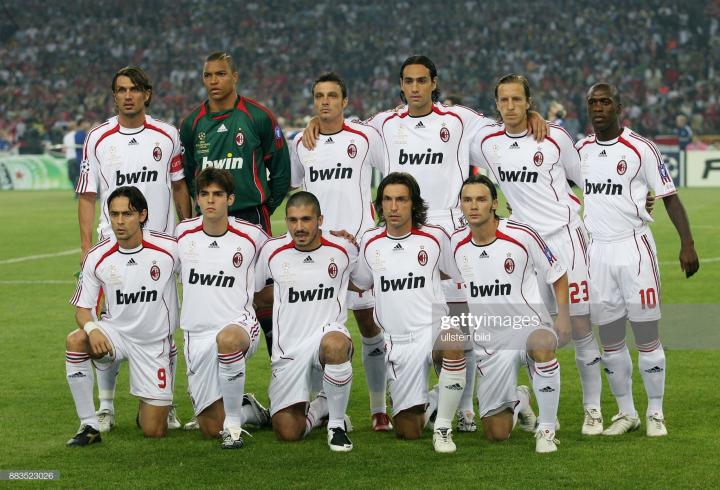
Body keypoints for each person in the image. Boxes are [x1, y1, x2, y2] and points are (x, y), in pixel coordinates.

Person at [304, 55, 547, 432]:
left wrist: (532, 116)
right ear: (401, 86)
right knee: (407, 321)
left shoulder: (460, 119)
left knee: (462, 324)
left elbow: (505, 125)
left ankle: (465, 408)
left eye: (421, 81)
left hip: (450, 232)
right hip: (400, 232)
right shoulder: (383, 125)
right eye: (408, 81)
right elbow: (341, 127)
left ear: (434, 83)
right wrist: (315, 124)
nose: (415, 88)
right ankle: (422, 398)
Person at [469, 74, 602, 434]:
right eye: (504, 100)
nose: (510, 106)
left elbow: (588, 180)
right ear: (496, 104)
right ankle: (543, 411)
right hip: (524, 246)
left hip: (565, 237)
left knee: (579, 326)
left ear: (529, 102)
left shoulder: (555, 137)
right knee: (532, 328)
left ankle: (592, 409)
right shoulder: (487, 143)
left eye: (517, 99)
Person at [577, 83, 699, 436]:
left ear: (619, 107)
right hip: (597, 251)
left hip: (634, 248)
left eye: (605, 102)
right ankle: (626, 412)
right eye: (592, 102)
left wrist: (687, 244)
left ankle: (655, 413)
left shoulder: (641, 148)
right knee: (610, 338)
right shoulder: (581, 150)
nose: (598, 107)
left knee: (647, 334)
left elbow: (669, 196)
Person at [75, 66, 190, 433]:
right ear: (114, 96)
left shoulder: (167, 135)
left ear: (147, 94)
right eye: (121, 90)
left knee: (163, 327)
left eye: (134, 89)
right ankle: (106, 406)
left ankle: (165, 403)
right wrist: (87, 246)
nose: (127, 96)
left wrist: (187, 231)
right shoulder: (98, 138)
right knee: (107, 324)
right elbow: (87, 194)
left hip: (161, 249)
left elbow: (179, 187)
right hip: (114, 246)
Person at [289, 72, 391, 431]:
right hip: (317, 251)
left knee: (369, 325)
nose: (325, 101)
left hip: (358, 247)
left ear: (345, 101)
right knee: (316, 327)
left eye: (332, 95)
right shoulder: (302, 143)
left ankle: (378, 408)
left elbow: (391, 172)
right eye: (319, 96)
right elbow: (295, 188)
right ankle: (317, 405)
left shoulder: (364, 137)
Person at [180, 50, 291, 361]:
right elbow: (188, 178)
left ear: (234, 77)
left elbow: (281, 171)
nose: (213, 81)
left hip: (251, 216)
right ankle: (218, 364)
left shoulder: (258, 116)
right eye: (208, 75)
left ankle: (280, 363)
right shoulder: (192, 124)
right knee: (215, 291)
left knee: (265, 295)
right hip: (210, 223)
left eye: (220, 74)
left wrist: (265, 207)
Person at [451, 174, 569, 453]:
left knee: (542, 343)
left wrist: (563, 316)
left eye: (481, 199)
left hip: (528, 325)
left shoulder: (521, 234)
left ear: (494, 203)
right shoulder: (455, 243)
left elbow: (558, 272)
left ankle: (547, 430)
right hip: (489, 342)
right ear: (461, 205)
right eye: (467, 200)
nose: (474, 206)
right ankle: (520, 400)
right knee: (496, 434)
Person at [351, 172, 467, 453]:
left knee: (453, 341)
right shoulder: (370, 241)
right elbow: (360, 282)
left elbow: (457, 270)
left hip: (432, 328)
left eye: (401, 200)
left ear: (413, 203)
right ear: (380, 204)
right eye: (387, 200)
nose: (393, 207)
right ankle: (435, 399)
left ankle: (443, 429)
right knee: (408, 431)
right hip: (398, 342)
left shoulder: (435, 237)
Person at [66, 186, 179, 446]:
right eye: (114, 214)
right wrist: (93, 329)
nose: (119, 221)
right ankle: (89, 425)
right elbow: (82, 309)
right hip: (115, 335)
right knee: (76, 340)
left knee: (154, 430)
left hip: (152, 343)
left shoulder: (169, 249)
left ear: (142, 215)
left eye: (126, 214)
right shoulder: (97, 256)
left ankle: (150, 402)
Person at [176, 168, 271, 448]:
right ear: (196, 199)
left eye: (218, 194)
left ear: (230, 199)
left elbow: (282, 259)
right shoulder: (183, 234)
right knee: (210, 428)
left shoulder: (253, 236)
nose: (210, 200)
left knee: (227, 340)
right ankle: (248, 410)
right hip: (196, 335)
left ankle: (234, 427)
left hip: (239, 325)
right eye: (204, 194)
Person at [254, 191, 355, 452]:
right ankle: (322, 407)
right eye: (293, 220)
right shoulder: (271, 251)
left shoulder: (343, 249)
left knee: (336, 343)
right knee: (287, 432)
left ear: (320, 220)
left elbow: (363, 282)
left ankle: (336, 426)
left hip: (326, 338)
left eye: (306, 219)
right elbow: (255, 293)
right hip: (289, 352)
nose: (299, 227)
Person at [62, 120, 77, 190]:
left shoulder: (66, 137)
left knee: (71, 176)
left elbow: (64, 149)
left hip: (70, 158)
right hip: (78, 157)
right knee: (79, 175)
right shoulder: (78, 135)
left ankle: (76, 189)